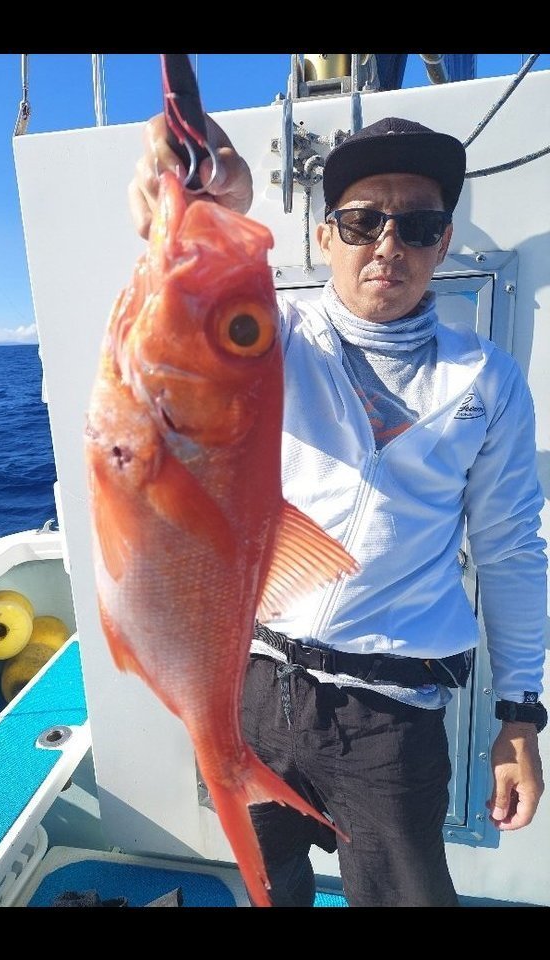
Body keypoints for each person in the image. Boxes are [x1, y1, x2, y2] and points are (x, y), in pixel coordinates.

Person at [128, 113, 546, 907]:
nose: (388, 244)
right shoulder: (276, 339)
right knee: (266, 882)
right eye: (362, 221)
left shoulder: (486, 381)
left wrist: (520, 713)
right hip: (254, 682)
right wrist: (208, 212)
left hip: (390, 720)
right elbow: (193, 322)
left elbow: (510, 549)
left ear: (443, 241)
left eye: (417, 225)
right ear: (326, 238)